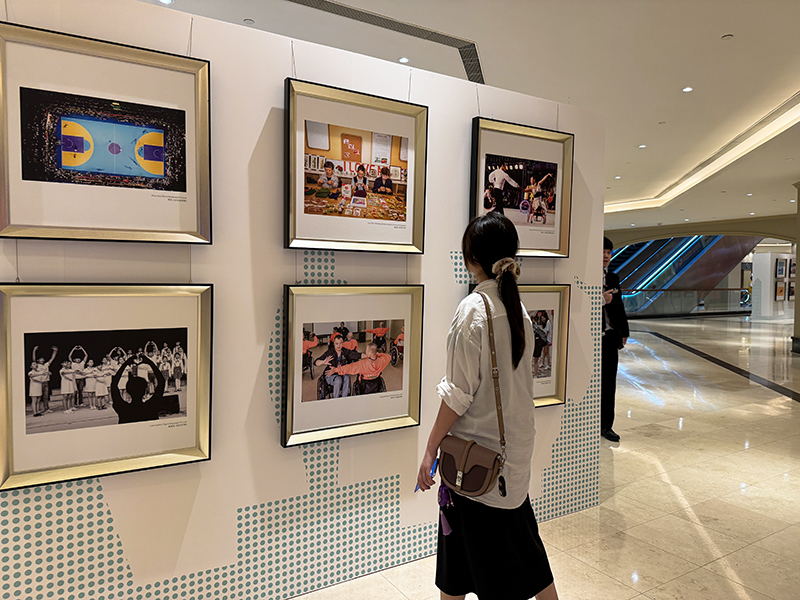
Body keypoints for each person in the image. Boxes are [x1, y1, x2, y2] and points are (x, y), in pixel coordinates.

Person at [417, 212, 558, 600]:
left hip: (477, 463)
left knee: (473, 569)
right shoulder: (517, 310)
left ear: (471, 258)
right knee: (514, 557)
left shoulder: (473, 310)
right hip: (512, 458)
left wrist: (430, 449)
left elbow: (457, 394)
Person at [602, 236, 629, 443]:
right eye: (602, 252)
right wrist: (601, 300)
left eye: (609, 252)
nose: (606, 256)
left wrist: (624, 332)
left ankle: (606, 425)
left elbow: (619, 306)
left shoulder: (613, 278)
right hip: (590, 338)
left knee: (609, 381)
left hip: (610, 337)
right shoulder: (585, 277)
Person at [110, 353, 166, 424]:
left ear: (128, 390)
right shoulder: (151, 406)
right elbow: (161, 382)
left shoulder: (123, 409)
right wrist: (150, 362)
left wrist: (125, 364)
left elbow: (113, 385)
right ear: (145, 390)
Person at [32, 345, 57, 413]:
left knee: (46, 396)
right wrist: (34, 350)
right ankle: (39, 409)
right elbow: (34, 359)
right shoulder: (37, 365)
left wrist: (55, 351)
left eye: (43, 359)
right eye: (40, 359)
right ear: (38, 360)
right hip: (39, 382)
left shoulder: (46, 365)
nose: (42, 360)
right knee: (39, 396)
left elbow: (52, 359)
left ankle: (46, 408)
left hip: (46, 381)